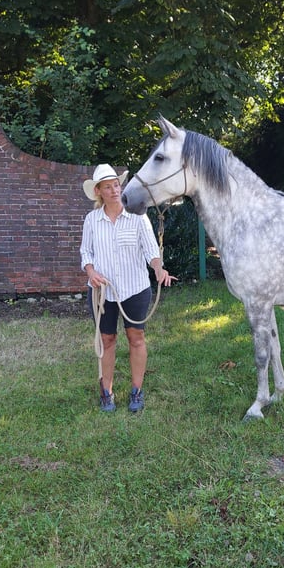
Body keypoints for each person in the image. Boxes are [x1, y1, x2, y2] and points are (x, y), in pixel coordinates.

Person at [79, 164, 176, 413]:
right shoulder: (92, 220)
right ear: (99, 191)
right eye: (108, 186)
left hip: (135, 289)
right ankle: (107, 392)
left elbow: (151, 251)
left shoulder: (137, 217)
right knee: (107, 339)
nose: (114, 190)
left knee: (136, 338)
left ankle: (136, 391)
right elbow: (86, 252)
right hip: (103, 293)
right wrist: (91, 272)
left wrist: (158, 269)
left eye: (116, 185)